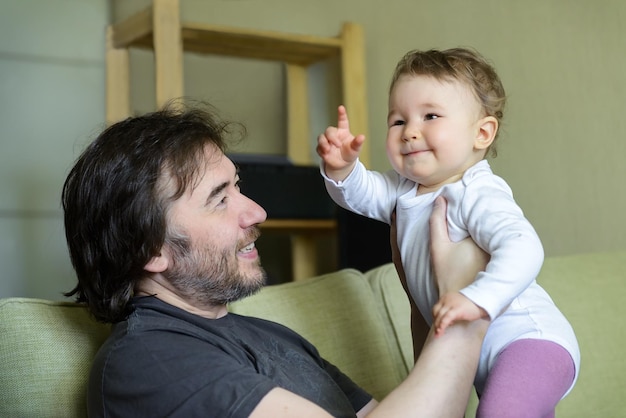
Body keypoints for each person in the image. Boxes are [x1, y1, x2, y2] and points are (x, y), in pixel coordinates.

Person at [62, 101, 489, 418]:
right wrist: (471, 306)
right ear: (148, 249)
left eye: (237, 185)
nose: (256, 212)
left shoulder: (273, 337)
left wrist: (429, 296)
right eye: (218, 198)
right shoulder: (149, 360)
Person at [317, 47, 580, 417]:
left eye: (430, 116)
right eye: (397, 121)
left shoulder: (477, 192)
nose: (410, 132)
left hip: (529, 340)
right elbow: (361, 195)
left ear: (482, 133)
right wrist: (342, 169)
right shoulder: (402, 188)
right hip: (481, 355)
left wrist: (478, 298)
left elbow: (525, 247)